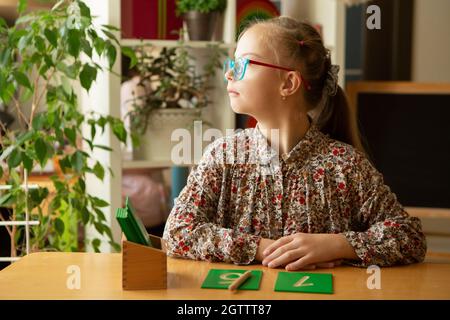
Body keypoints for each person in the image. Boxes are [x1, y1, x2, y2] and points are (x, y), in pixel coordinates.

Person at [162, 17, 427, 270]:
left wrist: (338, 245)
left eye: (245, 63)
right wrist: (263, 248)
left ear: (289, 83)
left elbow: (410, 237)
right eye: (232, 63)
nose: (230, 73)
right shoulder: (222, 156)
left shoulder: (347, 166)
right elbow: (177, 232)